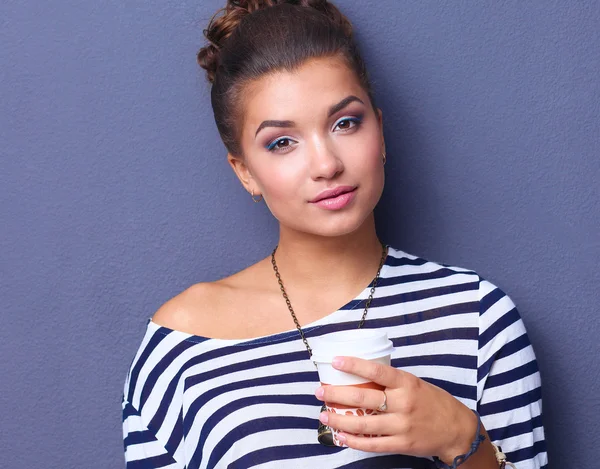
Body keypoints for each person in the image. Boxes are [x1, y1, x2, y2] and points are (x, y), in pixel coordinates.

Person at [121, 1, 548, 468]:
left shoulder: (479, 320)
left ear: (380, 133)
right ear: (245, 172)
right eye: (282, 142)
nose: (327, 164)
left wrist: (460, 440)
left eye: (345, 123)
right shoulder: (182, 343)